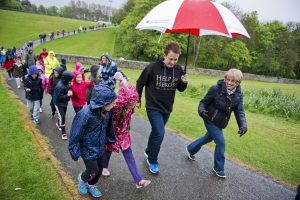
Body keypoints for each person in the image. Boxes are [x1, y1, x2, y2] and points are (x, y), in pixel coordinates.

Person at [136, 42, 188, 174]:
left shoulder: (179, 69)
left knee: (156, 132)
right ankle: (152, 160)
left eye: (175, 59)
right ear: (164, 55)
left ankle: (148, 151)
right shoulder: (152, 68)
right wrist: (138, 99)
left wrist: (184, 82)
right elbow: (140, 83)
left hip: (167, 107)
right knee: (160, 133)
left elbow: (181, 89)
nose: (173, 62)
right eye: (170, 58)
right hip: (153, 106)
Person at [186, 68, 247, 179]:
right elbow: (203, 102)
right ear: (225, 79)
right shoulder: (216, 89)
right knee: (221, 143)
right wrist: (201, 111)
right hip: (209, 118)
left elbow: (239, 111)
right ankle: (219, 168)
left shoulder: (239, 95)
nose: (229, 82)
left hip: (220, 123)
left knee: (207, 138)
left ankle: (190, 148)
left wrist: (243, 125)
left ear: (238, 83)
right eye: (227, 79)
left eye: (233, 81)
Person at [102, 72, 151, 188]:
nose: (134, 104)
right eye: (132, 102)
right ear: (125, 101)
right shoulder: (116, 105)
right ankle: (103, 168)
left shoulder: (129, 104)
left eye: (135, 101)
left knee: (129, 155)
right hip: (111, 134)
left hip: (123, 134)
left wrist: (122, 79)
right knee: (107, 150)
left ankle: (138, 181)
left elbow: (125, 90)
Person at [68, 84, 117, 198]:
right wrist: (74, 151)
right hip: (87, 148)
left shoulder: (108, 112)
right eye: (111, 102)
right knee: (92, 169)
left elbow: (110, 126)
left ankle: (91, 184)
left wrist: (111, 139)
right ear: (102, 102)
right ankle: (82, 179)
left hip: (100, 146)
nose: (113, 105)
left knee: (99, 170)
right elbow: (75, 133)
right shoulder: (85, 114)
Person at [53, 71, 74, 140]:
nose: (72, 80)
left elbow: (69, 87)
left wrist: (70, 90)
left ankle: (58, 124)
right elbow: (58, 97)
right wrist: (67, 95)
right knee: (62, 117)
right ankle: (63, 132)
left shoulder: (66, 83)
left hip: (64, 102)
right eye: (71, 79)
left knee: (62, 115)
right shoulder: (60, 86)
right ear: (67, 78)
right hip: (58, 103)